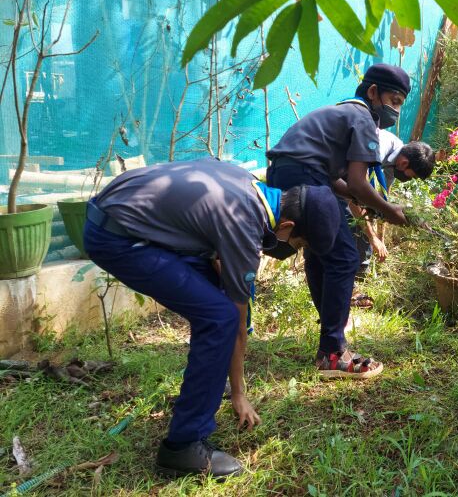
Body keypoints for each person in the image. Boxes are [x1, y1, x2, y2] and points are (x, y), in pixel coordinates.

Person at [83, 157, 341, 477]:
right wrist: (239, 394)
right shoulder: (245, 224)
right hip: (118, 237)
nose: (292, 248)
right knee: (220, 318)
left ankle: (202, 393)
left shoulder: (247, 182)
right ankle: (184, 445)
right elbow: (236, 324)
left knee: (218, 302)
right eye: (298, 243)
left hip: (119, 213)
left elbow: (217, 255)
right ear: (287, 227)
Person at [267, 63, 411, 379]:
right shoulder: (362, 119)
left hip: (286, 176)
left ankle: (331, 336)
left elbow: (338, 182)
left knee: (321, 254)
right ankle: (332, 352)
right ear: (373, 92)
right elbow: (359, 183)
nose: (396, 111)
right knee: (345, 258)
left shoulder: (341, 113)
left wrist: (363, 201)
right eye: (394, 101)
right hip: (306, 179)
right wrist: (389, 209)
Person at [349, 133, 436, 308]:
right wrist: (372, 237)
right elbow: (354, 196)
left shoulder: (393, 164)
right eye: (412, 176)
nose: (409, 179)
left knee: (364, 234)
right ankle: (348, 293)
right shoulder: (378, 148)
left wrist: (380, 237)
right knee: (350, 229)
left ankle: (354, 282)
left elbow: (381, 202)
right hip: (330, 178)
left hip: (349, 187)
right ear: (404, 164)